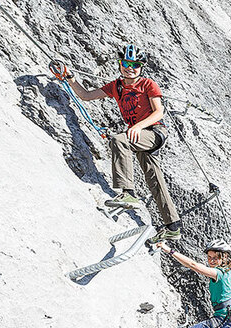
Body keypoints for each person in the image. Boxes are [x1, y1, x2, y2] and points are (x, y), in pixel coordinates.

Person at [60, 44, 182, 243]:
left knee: (119, 139)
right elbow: (86, 96)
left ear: (141, 67)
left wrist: (137, 127)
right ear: (120, 64)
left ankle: (128, 193)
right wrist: (70, 78)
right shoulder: (116, 86)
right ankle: (173, 226)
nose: (129, 68)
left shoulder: (148, 84)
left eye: (134, 64)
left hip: (154, 132)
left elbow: (159, 112)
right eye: (126, 63)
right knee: (154, 178)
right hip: (139, 136)